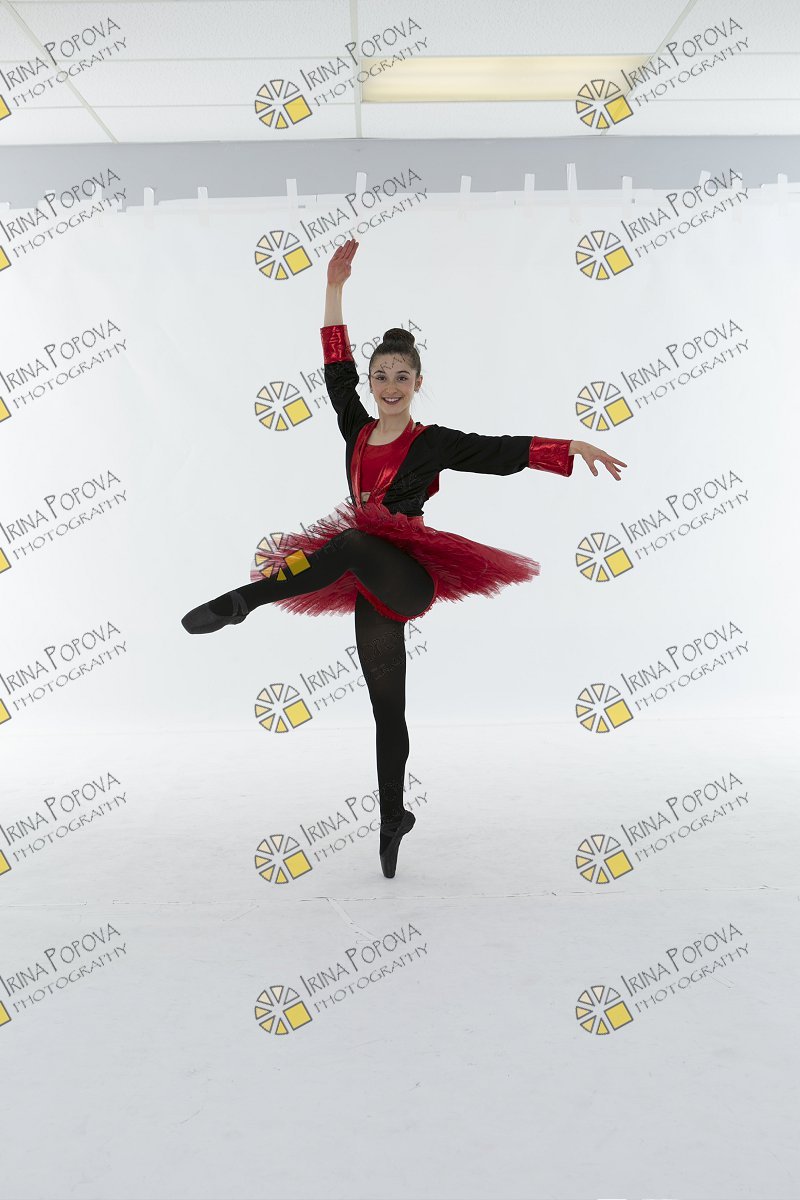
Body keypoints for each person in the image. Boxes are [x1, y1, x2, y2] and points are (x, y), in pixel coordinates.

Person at [181, 238, 627, 878]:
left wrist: (571, 447)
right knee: (386, 709)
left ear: (419, 383)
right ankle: (393, 817)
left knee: (353, 541)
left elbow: (498, 449)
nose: (390, 386)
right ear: (371, 384)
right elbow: (334, 367)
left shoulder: (432, 441)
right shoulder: (356, 428)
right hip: (368, 584)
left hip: (410, 576)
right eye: (381, 377)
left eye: (401, 377)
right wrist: (334, 288)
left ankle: (244, 601)